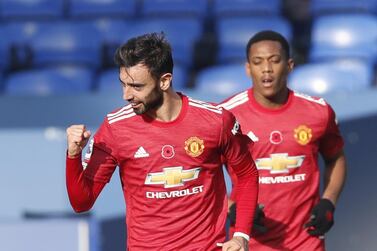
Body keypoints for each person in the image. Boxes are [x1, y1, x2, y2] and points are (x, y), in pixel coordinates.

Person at [66, 32, 259, 251]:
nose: (126, 95)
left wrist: (241, 235)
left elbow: (247, 174)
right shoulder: (116, 128)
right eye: (123, 84)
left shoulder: (215, 120)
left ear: (165, 81)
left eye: (137, 87)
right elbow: (81, 202)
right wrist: (73, 155)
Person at [219, 30, 347, 250]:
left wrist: (329, 202)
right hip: (249, 240)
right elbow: (204, 173)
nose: (267, 69)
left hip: (306, 240)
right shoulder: (226, 115)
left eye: (274, 61)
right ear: (248, 68)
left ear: (289, 65)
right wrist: (231, 207)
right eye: (258, 62)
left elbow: (336, 158)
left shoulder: (318, 112)